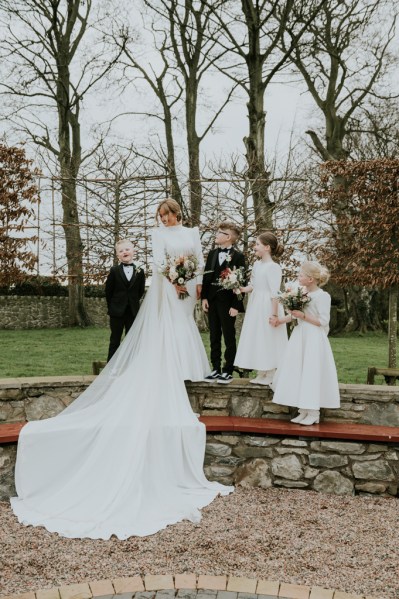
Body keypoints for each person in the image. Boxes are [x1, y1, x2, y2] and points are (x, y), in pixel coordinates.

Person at [10, 198, 231, 540]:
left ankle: (189, 365)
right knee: (169, 325)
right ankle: (168, 363)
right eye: (160, 215)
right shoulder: (158, 235)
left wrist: (195, 283)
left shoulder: (191, 231)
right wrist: (174, 280)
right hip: (169, 287)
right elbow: (160, 263)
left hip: (188, 287)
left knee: (185, 325)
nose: (164, 219)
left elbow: (199, 259)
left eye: (167, 214)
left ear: (177, 213)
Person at [270, 261, 340, 426]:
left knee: (310, 371)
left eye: (301, 275)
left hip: (313, 337)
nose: (298, 277)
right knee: (298, 369)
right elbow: (295, 315)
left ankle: (313, 411)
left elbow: (323, 321)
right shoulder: (300, 293)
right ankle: (302, 409)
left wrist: (302, 316)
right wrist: (281, 320)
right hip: (300, 335)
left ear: (310, 279)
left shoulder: (323, 296)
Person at [234, 232, 288, 385]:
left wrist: (274, 314)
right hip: (256, 305)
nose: (254, 247)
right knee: (258, 337)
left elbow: (274, 293)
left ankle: (271, 372)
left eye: (257, 244)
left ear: (267, 247)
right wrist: (242, 289)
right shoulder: (257, 265)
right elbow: (254, 285)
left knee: (268, 336)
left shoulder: (274, 267)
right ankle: (261, 371)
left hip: (268, 306)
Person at [201, 222, 246, 384]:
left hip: (228, 303)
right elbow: (206, 276)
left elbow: (241, 282)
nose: (216, 235)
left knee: (228, 336)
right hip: (212, 300)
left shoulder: (239, 256)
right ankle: (215, 368)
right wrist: (204, 298)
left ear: (228, 237)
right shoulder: (212, 253)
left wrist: (236, 305)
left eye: (219, 232)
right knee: (214, 335)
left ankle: (228, 370)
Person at [105, 239, 146, 362]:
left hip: (132, 311)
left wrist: (132, 302)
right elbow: (108, 291)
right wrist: (113, 307)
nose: (124, 252)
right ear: (118, 255)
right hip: (116, 312)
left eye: (127, 249)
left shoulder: (140, 271)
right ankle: (111, 366)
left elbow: (140, 290)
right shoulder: (114, 271)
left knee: (131, 340)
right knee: (115, 339)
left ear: (133, 251)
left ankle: (129, 365)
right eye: (121, 251)